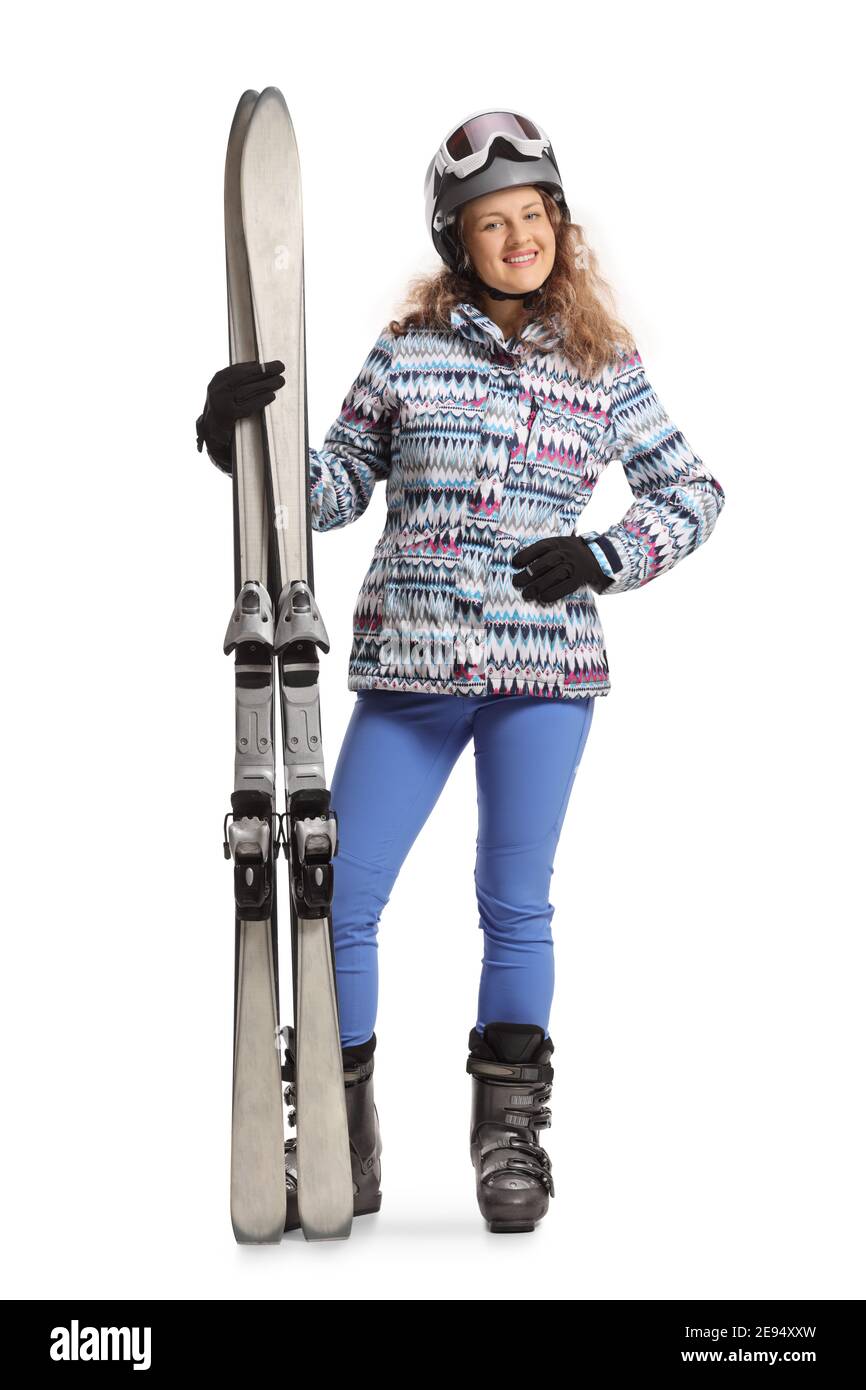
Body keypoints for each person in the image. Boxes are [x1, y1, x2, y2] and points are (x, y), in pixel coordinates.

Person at [197, 109, 726, 1235]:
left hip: (544, 672)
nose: (518, 236)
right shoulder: (406, 348)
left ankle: (509, 1140)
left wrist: (603, 552)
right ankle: (341, 1136)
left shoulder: (602, 359)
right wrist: (248, 446)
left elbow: (693, 493)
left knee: (514, 906)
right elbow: (332, 485)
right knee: (339, 897)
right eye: (493, 222)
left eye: (533, 215)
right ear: (457, 240)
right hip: (414, 663)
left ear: (558, 227)